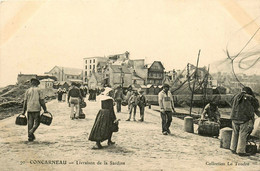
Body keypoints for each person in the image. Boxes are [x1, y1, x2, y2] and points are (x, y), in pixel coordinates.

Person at [230, 86, 259, 156]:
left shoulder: (235, 96)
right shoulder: (250, 98)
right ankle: (240, 151)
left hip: (233, 118)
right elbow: (256, 107)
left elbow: (231, 104)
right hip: (244, 119)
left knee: (235, 133)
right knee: (242, 134)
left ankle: (233, 148)